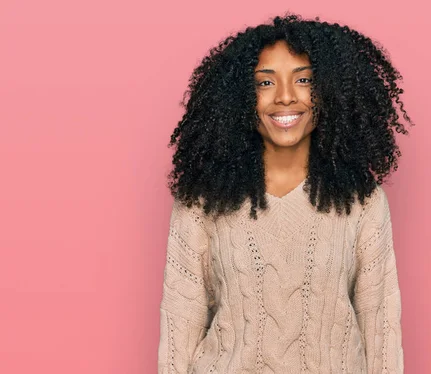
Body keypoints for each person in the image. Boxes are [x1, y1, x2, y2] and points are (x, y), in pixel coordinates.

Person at [157, 13, 414, 374]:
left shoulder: (362, 202)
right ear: (239, 96)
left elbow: (381, 330)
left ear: (331, 90)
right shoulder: (203, 202)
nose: (285, 97)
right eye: (265, 83)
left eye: (304, 79)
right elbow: (179, 326)